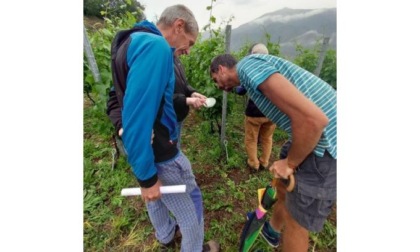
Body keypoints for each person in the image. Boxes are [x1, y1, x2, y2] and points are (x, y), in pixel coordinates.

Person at [106, 4, 219, 252]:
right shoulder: (155, 47)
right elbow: (138, 120)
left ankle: (166, 234)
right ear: (178, 26)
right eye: (189, 42)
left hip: (146, 149)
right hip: (162, 151)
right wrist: (146, 178)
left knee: (157, 195)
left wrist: (123, 130)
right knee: (191, 204)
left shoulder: (130, 42)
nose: (188, 51)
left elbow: (114, 97)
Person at [210, 53, 336, 252]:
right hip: (312, 137)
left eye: (215, 79)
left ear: (221, 69)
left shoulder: (247, 68)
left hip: (325, 145)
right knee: (283, 187)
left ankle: (282, 231)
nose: (218, 86)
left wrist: (290, 163)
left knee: (297, 224)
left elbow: (314, 121)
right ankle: (273, 231)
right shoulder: (251, 73)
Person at [235, 43, 276, 173]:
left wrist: (236, 86)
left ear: (252, 55)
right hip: (271, 113)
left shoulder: (251, 70)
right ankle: (264, 162)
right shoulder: (275, 69)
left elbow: (241, 91)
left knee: (251, 139)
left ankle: (254, 164)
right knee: (267, 138)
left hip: (254, 113)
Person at [173, 54, 207, 149]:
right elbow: (160, 96)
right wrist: (186, 100)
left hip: (178, 115)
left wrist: (192, 93)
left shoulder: (176, 59)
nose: (188, 52)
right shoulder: (160, 62)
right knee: (168, 153)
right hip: (167, 118)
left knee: (176, 145)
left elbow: (184, 83)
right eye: (189, 43)